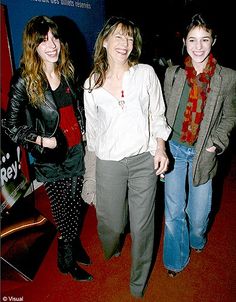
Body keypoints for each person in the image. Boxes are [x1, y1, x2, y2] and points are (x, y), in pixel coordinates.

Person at [83, 16, 171, 297]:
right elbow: (93, 134)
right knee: (111, 223)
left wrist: (160, 148)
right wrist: (92, 173)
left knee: (144, 224)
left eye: (130, 37)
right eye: (119, 37)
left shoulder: (145, 73)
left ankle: (138, 282)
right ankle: (114, 244)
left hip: (143, 160)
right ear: (105, 41)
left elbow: (157, 114)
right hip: (109, 162)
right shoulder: (91, 84)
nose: (125, 43)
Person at [3, 16, 93, 281]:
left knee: (75, 203)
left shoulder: (67, 69)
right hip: (51, 156)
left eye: (54, 38)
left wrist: (84, 128)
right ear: (34, 46)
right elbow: (11, 125)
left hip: (76, 148)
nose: (52, 45)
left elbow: (77, 105)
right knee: (63, 209)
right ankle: (65, 260)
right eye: (44, 41)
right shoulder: (24, 79)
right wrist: (42, 140)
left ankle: (73, 244)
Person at [163, 13, 236, 277]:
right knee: (173, 211)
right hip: (175, 149)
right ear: (184, 41)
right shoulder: (173, 74)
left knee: (197, 216)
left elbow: (230, 116)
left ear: (213, 40)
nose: (198, 46)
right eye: (192, 39)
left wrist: (216, 143)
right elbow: (161, 114)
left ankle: (197, 239)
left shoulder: (227, 78)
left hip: (203, 153)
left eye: (205, 39)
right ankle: (175, 261)